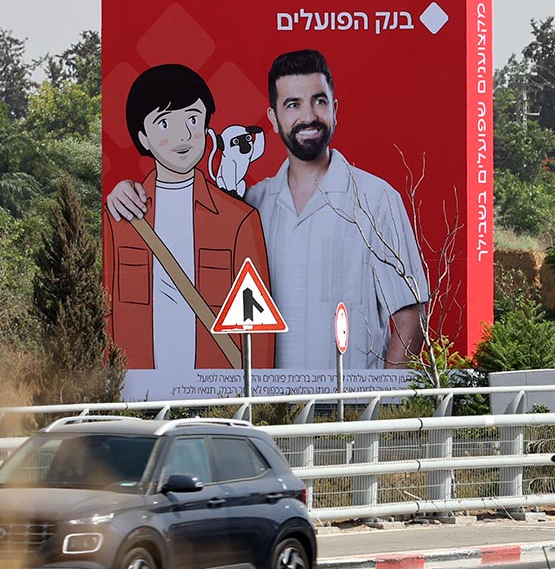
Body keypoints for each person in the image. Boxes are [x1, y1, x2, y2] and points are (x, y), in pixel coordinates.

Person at [109, 49, 428, 370]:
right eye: (293, 104)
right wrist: (126, 191)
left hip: (350, 405)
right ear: (274, 118)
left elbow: (409, 313)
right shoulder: (253, 204)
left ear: (335, 109)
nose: (308, 116)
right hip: (271, 403)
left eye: (319, 101)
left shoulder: (377, 199)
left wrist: (387, 401)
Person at [102, 64, 275, 371]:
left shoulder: (239, 219)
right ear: (143, 137)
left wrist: (258, 398)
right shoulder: (121, 216)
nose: (183, 135)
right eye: (164, 123)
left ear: (207, 129)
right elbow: (106, 312)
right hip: (138, 391)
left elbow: (258, 332)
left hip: (217, 391)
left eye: (193, 119)